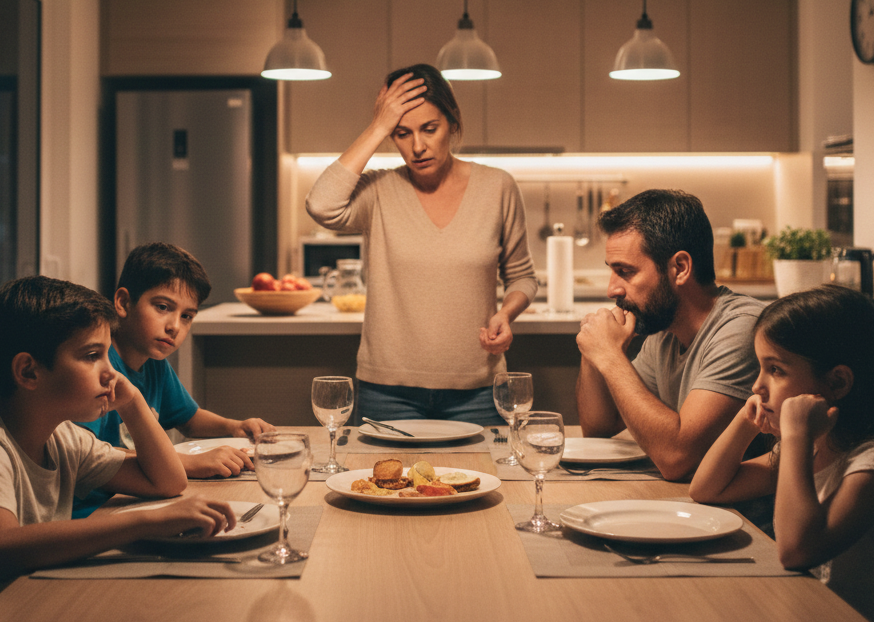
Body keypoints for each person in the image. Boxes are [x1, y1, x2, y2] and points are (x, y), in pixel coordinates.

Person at [0, 276, 239, 622]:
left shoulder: (63, 438)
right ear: (28, 371)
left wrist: (132, 402)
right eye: (91, 356)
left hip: (32, 601)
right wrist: (146, 521)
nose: (111, 373)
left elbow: (166, 482)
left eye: (107, 355)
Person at [305, 63, 538, 424]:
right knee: (381, 483)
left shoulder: (497, 187)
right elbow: (321, 205)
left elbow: (522, 276)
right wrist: (377, 125)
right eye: (401, 133)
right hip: (386, 393)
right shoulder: (377, 191)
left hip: (478, 390)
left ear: (452, 122)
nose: (417, 146)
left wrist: (506, 314)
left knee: (486, 482)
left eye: (430, 129)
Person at [690, 285, 874, 622]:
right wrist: (746, 422)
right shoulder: (817, 447)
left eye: (776, 370)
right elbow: (708, 489)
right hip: (809, 613)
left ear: (837, 382)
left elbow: (797, 550)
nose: (758, 385)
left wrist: (797, 436)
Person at [73, 242, 273, 518]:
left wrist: (235, 427)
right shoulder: (99, 367)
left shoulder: (155, 366)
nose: (175, 326)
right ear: (123, 302)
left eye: (187, 316)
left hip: (136, 499)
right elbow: (88, 455)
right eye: (163, 307)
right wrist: (187, 463)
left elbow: (189, 419)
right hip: (93, 511)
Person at [575, 189, 763, 480]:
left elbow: (677, 459)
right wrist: (594, 352)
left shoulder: (741, 329)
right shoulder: (665, 331)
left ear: (680, 268)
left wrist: (610, 357)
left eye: (625, 271)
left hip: (748, 519)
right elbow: (600, 428)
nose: (612, 289)